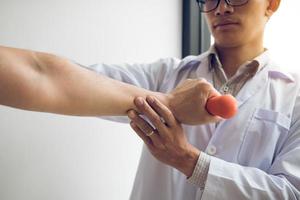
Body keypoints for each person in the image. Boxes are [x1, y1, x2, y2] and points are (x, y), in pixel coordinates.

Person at [1, 0, 299, 200]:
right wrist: (167, 102)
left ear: (271, 3)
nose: (220, 8)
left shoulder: (295, 96)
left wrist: (188, 160)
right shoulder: (165, 75)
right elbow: (50, 79)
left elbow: (290, 193)